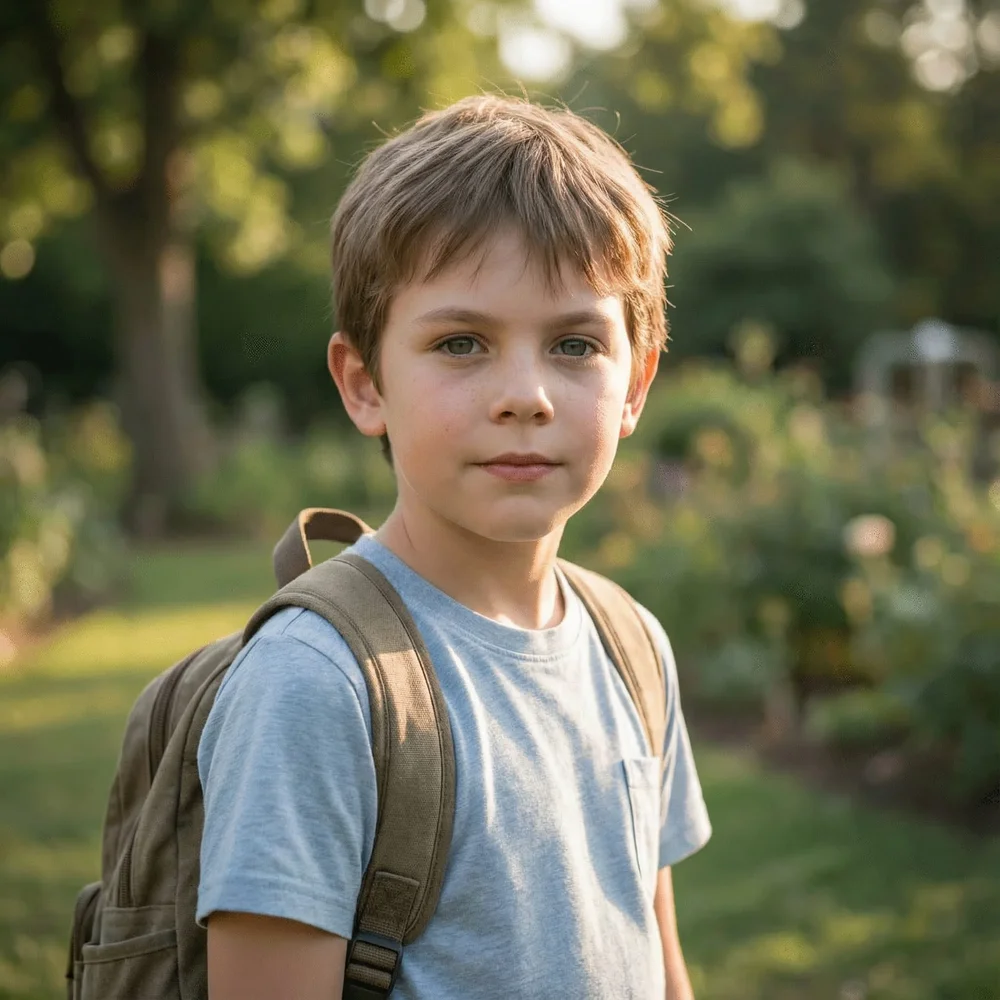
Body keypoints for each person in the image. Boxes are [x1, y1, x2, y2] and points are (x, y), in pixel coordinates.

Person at [196, 94, 712, 1000]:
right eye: (462, 342)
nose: (525, 396)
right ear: (365, 384)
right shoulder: (316, 684)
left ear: (635, 384)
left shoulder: (632, 646)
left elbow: (660, 963)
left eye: (575, 344)